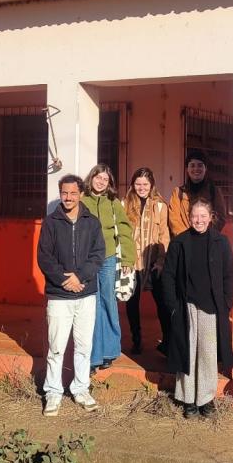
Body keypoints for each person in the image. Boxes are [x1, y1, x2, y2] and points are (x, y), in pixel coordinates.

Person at [37, 174, 105, 416]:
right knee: (56, 347)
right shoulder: (51, 223)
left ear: (81, 194)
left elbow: (98, 255)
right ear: (60, 193)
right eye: (64, 193)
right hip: (59, 296)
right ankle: (53, 392)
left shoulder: (92, 222)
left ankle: (81, 389)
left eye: (73, 193)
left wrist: (80, 277)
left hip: (86, 295)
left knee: (84, 346)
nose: (68, 198)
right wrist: (65, 280)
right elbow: (44, 257)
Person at [161, 198, 233, 419]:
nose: (199, 220)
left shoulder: (221, 242)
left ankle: (206, 399)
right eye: (195, 216)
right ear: (189, 217)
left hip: (211, 307)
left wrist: (226, 302)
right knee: (188, 353)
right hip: (186, 307)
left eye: (204, 216)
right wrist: (173, 306)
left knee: (207, 354)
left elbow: (229, 275)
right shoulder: (179, 243)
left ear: (211, 217)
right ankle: (188, 400)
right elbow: (168, 276)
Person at [81, 163, 136, 373]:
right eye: (98, 177)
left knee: (108, 303)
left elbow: (123, 230)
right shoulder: (82, 200)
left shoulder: (113, 202)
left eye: (105, 179)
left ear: (109, 183)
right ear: (91, 177)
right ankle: (94, 356)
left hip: (109, 259)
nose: (101, 182)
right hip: (87, 261)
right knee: (91, 306)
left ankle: (110, 351)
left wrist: (128, 259)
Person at [123, 166, 171, 355]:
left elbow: (164, 235)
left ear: (151, 185)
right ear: (133, 184)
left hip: (153, 263)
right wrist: (125, 260)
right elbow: (123, 234)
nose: (141, 187)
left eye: (145, 184)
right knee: (132, 303)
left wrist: (160, 261)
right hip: (132, 263)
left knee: (162, 303)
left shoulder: (160, 206)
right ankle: (136, 340)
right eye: (138, 184)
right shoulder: (124, 204)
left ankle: (167, 341)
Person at [168, 150, 228, 236]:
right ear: (187, 169)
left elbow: (220, 217)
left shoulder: (214, 191)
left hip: (207, 241)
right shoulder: (178, 192)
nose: (196, 169)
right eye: (192, 166)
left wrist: (207, 235)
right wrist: (185, 238)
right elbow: (174, 219)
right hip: (184, 241)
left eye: (200, 165)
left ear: (205, 168)